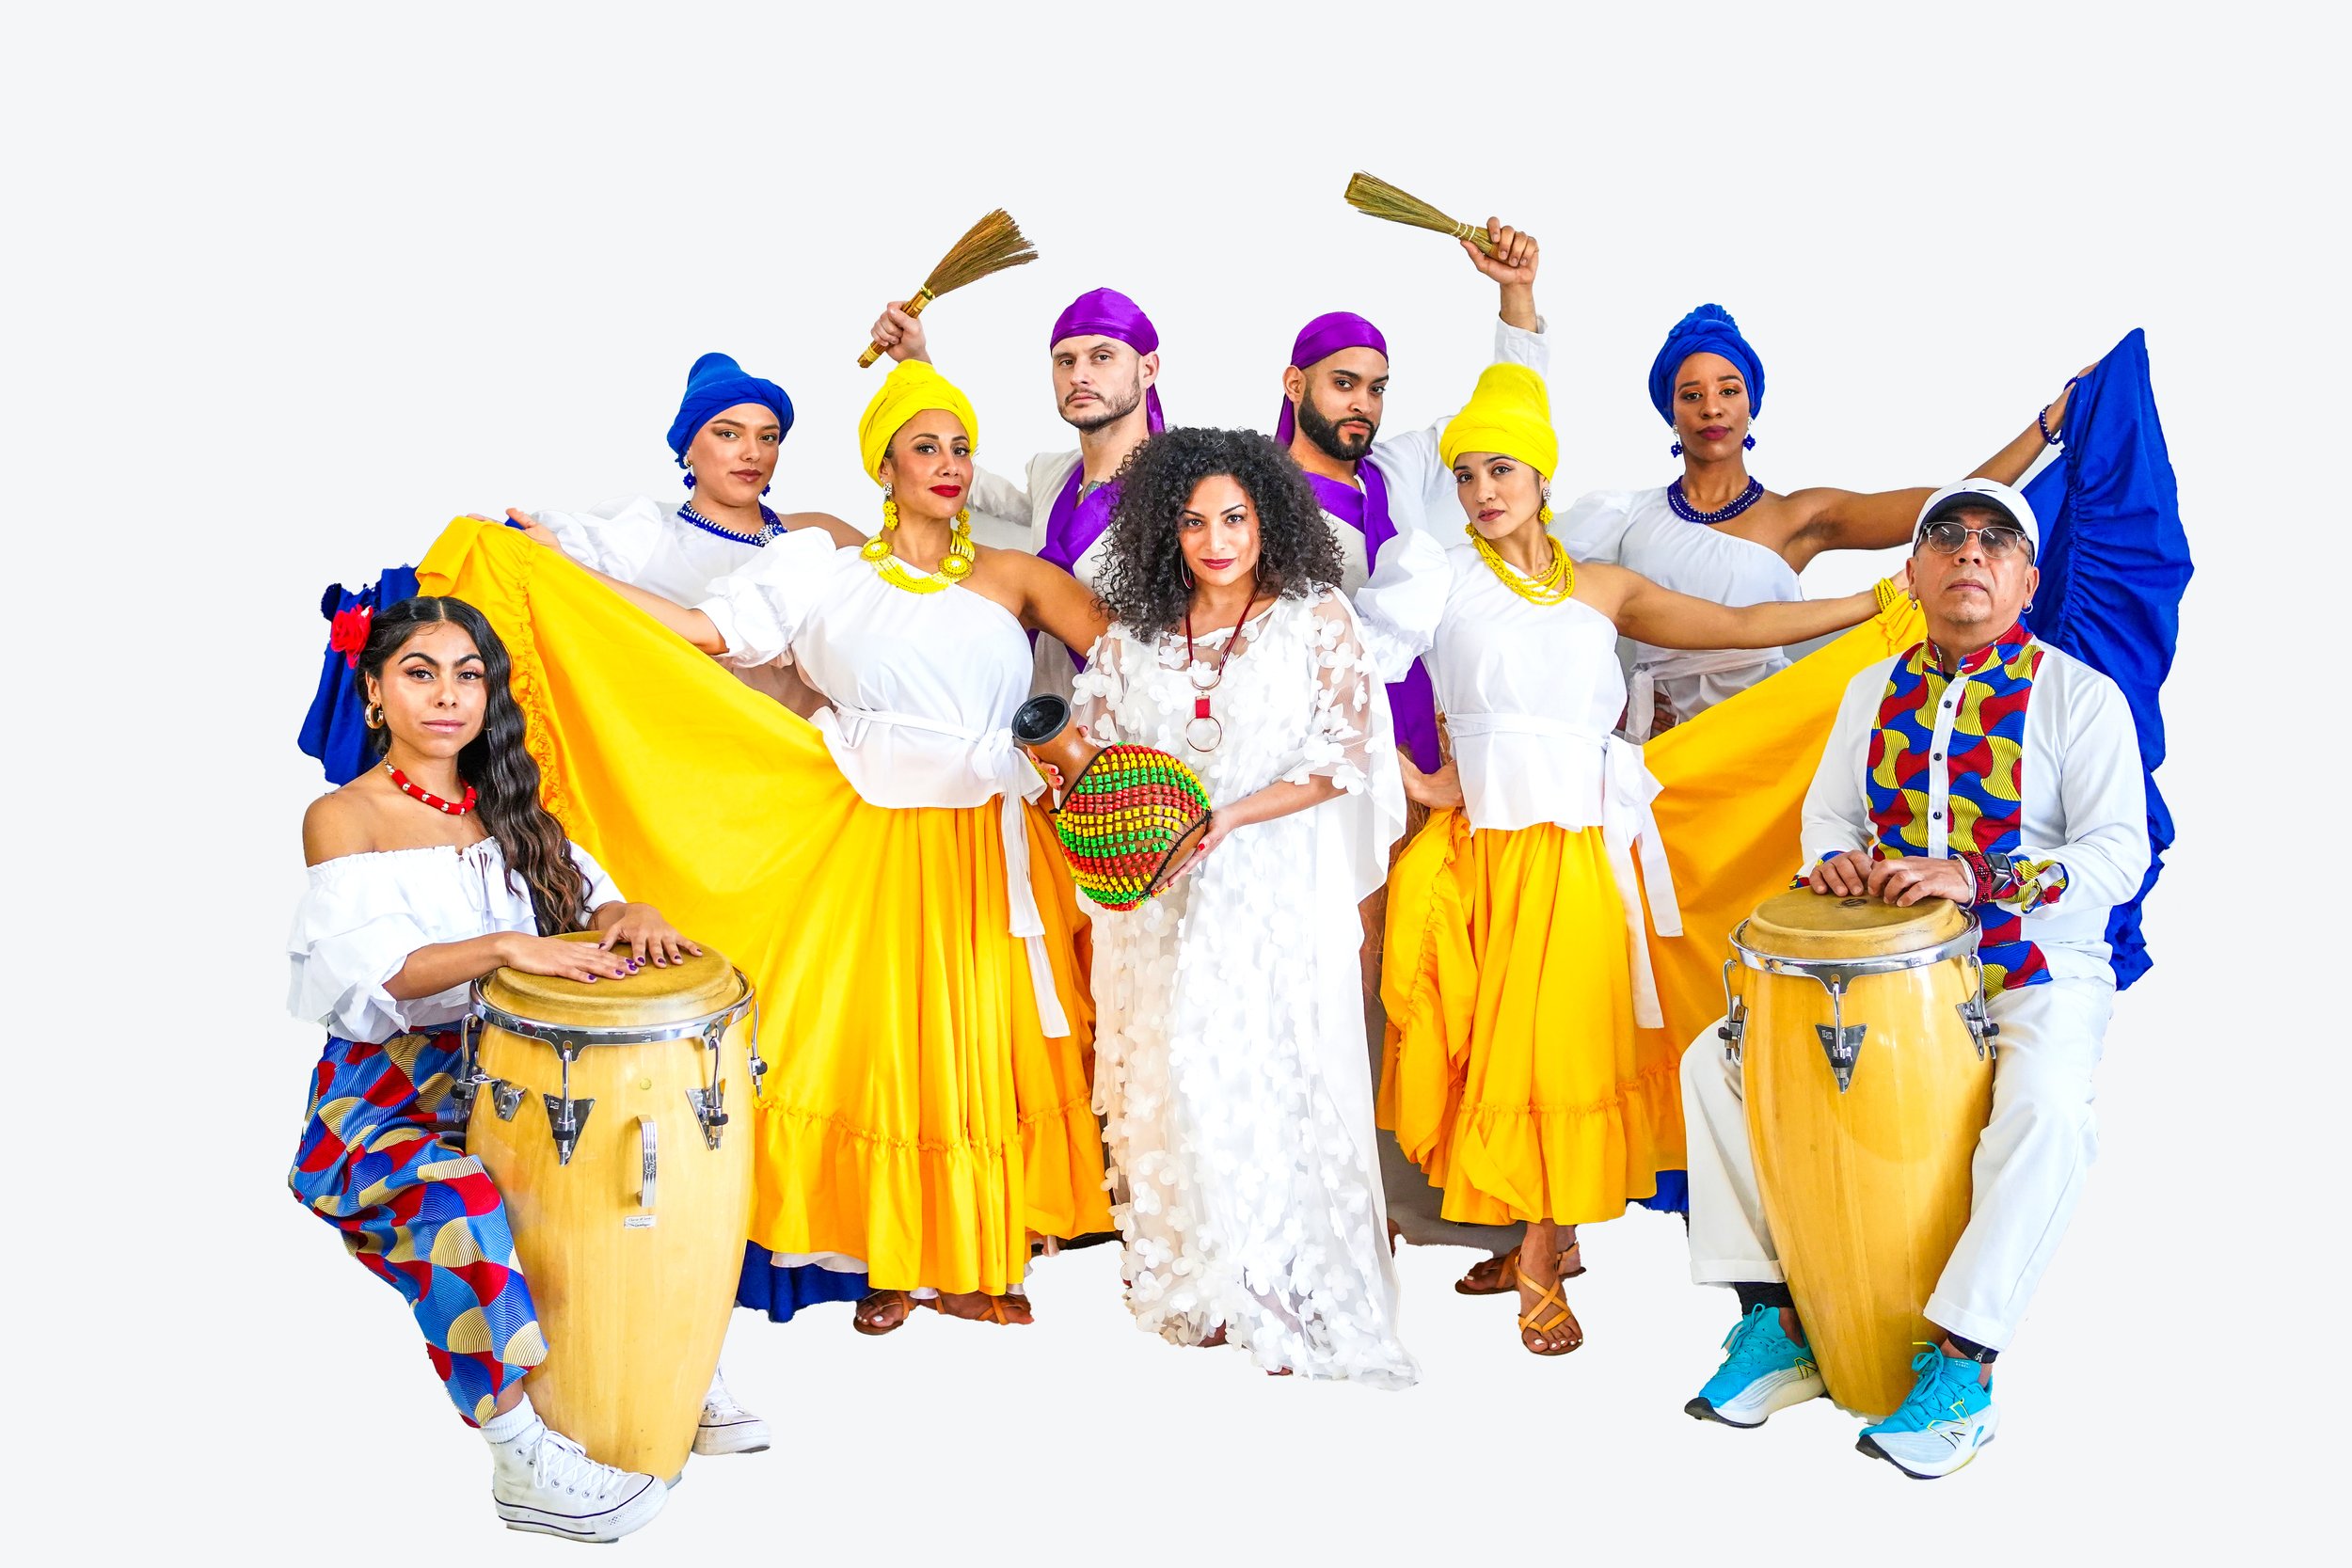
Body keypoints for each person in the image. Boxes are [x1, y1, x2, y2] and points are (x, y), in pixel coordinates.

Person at [537, 359, 1113, 1335]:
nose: (947, 463)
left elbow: (1135, 655)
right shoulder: (822, 564)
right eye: (923, 445)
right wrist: (558, 577)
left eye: (961, 446)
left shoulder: (1016, 575)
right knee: (879, 1048)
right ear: (881, 465)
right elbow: (697, 628)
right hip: (869, 839)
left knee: (983, 1039)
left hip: (995, 839)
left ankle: (983, 1249)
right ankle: (882, 1258)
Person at [1361, 364, 1886, 1354]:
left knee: (1569, 1046)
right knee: (1506, 1052)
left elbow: (1737, 629)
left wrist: (1871, 604)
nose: (1481, 489)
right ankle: (1534, 1240)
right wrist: (1420, 779)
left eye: (1501, 467)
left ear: (1542, 477)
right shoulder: (1440, 576)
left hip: (1591, 853)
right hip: (1495, 855)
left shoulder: (1600, 588)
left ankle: (1539, 1247)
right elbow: (1347, 663)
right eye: (1466, 471)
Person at [1678, 478, 2148, 1478]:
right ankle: (1775, 1319)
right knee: (1707, 1061)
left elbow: (2117, 855)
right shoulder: (1871, 688)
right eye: (1946, 536)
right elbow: (1829, 817)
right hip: (1883, 971)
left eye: (1994, 540)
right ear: (1913, 570)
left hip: (2032, 965)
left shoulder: (2080, 695)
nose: (1968, 552)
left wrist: (1979, 878)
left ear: (2024, 576)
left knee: (2050, 1110)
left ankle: (1962, 1363)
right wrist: (1837, 860)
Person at [286, 594, 755, 1543]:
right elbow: (380, 974)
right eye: (420, 672)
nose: (448, 695)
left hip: (515, 1072)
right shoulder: (345, 815)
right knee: (458, 1198)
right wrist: (507, 946)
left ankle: (664, 1362)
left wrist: (633, 915)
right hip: (388, 1090)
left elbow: (596, 903)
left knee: (638, 1158)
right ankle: (520, 1450)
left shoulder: (513, 810)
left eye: (469, 674)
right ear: (374, 692)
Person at [1071, 425, 1417, 1387]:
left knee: (1269, 1073)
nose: (1216, 538)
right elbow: (1098, 747)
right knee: (1175, 1066)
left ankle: (1281, 1277)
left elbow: (1343, 755)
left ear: (1268, 519)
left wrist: (1226, 817)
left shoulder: (1314, 619)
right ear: (1164, 531)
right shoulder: (1135, 633)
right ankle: (1202, 1277)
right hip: (1161, 901)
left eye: (1234, 516)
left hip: (1267, 885)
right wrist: (1127, 819)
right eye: (1192, 521)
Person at [1559, 304, 2091, 739]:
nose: (1711, 408)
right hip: (1658, 745)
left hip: (1766, 739)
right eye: (1691, 395)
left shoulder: (1801, 517)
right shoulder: (1623, 517)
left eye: (1728, 390)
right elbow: (1532, 587)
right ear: (1670, 412)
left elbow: (1955, 503)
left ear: (1751, 404)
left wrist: (2049, 422)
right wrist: (1608, 695)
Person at [1274, 216, 1543, 784]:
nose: (1363, 404)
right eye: (1343, 383)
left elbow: (1505, 415)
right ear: (1295, 385)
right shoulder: (1251, 500)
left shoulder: (1399, 467)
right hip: (1312, 752)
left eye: (1377, 388)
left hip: (1430, 740)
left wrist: (1515, 292)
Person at [867, 286, 1163, 701]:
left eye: (1101, 357)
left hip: (1140, 727)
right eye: (1066, 361)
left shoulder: (1184, 487)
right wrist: (918, 367)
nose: (1079, 375)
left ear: (1148, 369)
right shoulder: (1049, 473)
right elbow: (954, 475)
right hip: (1044, 726)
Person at [507, 351, 835, 714]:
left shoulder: (816, 533)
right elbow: (528, 562)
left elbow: (905, 583)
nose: (752, 453)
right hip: (674, 749)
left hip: (803, 754)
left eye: (768, 438)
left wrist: (911, 359)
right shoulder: (640, 533)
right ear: (689, 447)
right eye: (728, 434)